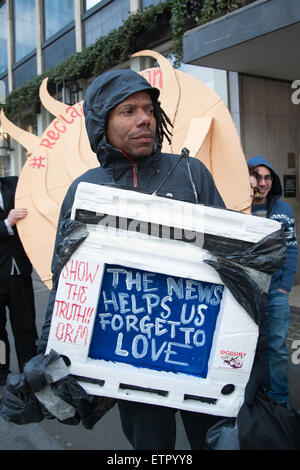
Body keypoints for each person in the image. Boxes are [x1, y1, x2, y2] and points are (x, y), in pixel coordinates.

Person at [36, 69, 226, 450]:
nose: (145, 119)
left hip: (199, 354)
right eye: (128, 111)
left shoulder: (192, 175)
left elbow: (232, 263)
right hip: (129, 362)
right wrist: (46, 350)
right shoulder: (85, 191)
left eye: (149, 110)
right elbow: (68, 276)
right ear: (100, 123)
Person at [248, 156, 298, 406]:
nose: (263, 182)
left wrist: (284, 286)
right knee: (247, 348)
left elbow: (291, 248)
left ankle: (280, 401)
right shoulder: (239, 208)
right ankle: (250, 399)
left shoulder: (283, 211)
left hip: (275, 291)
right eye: (257, 176)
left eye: (268, 177)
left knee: (277, 348)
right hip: (247, 292)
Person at [0, 176, 38, 385]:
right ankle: (2, 375)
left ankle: (30, 372)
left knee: (26, 327)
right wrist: (7, 223)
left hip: (19, 272)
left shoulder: (12, 185)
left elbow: (31, 179)